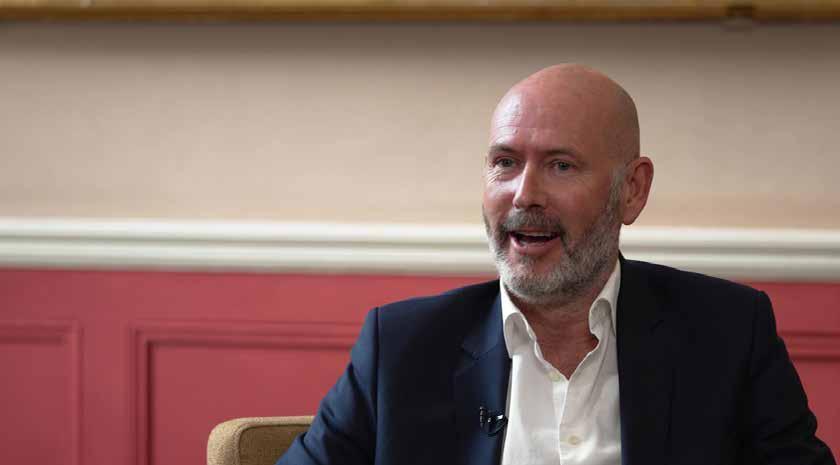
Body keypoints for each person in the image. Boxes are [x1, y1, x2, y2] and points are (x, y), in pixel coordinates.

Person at [276, 64, 835, 465]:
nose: (525, 194)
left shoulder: (727, 332)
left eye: (561, 165)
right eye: (505, 163)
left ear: (632, 190)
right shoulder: (402, 346)